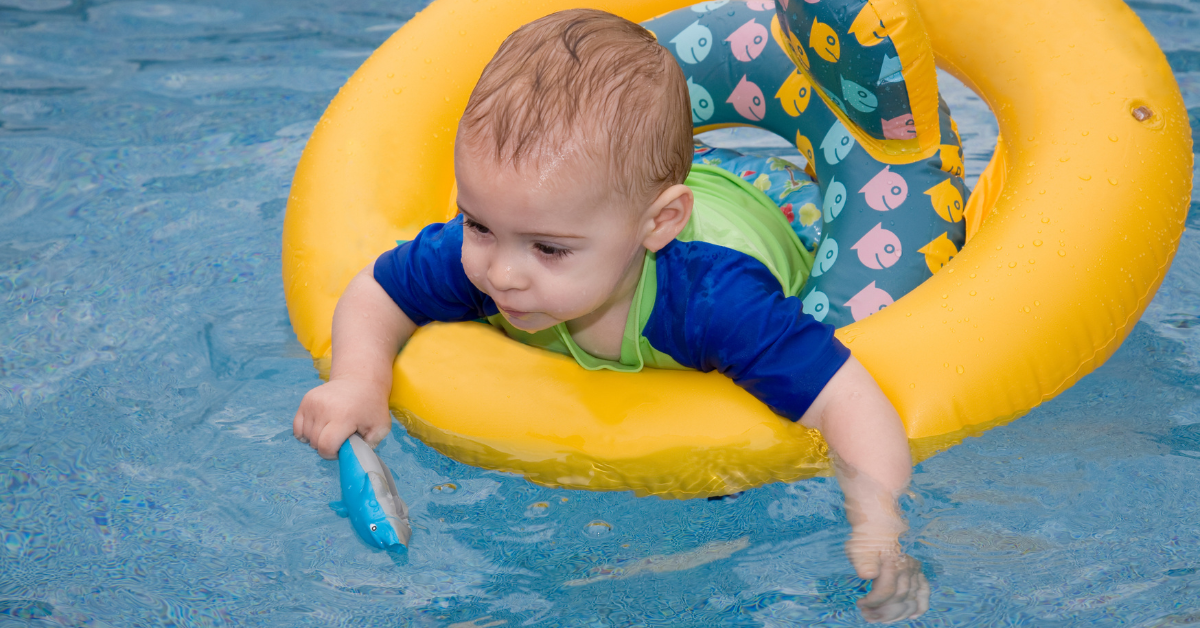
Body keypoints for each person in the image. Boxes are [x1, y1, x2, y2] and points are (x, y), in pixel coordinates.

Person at [293, 8, 928, 622]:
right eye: (477, 223)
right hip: (631, 206)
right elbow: (378, 291)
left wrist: (879, 523)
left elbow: (849, 398)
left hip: (774, 208)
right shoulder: (486, 254)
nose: (503, 273)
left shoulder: (713, 303)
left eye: (548, 249)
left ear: (657, 225)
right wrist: (358, 379)